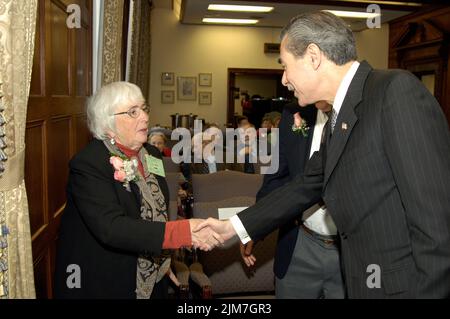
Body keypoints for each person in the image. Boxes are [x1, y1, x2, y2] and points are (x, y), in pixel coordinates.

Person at [194, 11, 450, 298]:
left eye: (286, 66)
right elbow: (305, 186)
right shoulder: (340, 114)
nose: (284, 79)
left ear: (313, 56)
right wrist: (233, 227)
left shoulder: (394, 92)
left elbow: (437, 228)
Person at [54, 82, 222, 299]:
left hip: (153, 275)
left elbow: (157, 212)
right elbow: (112, 228)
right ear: (108, 124)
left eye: (143, 108)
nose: (144, 117)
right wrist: (182, 232)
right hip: (105, 281)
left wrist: (163, 261)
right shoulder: (88, 164)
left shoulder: (151, 154)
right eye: (133, 112)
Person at [241, 101, 345, 298]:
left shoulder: (366, 109)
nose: (284, 80)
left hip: (351, 252)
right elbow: (277, 178)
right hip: (299, 243)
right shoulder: (293, 114)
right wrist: (255, 227)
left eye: (287, 69)